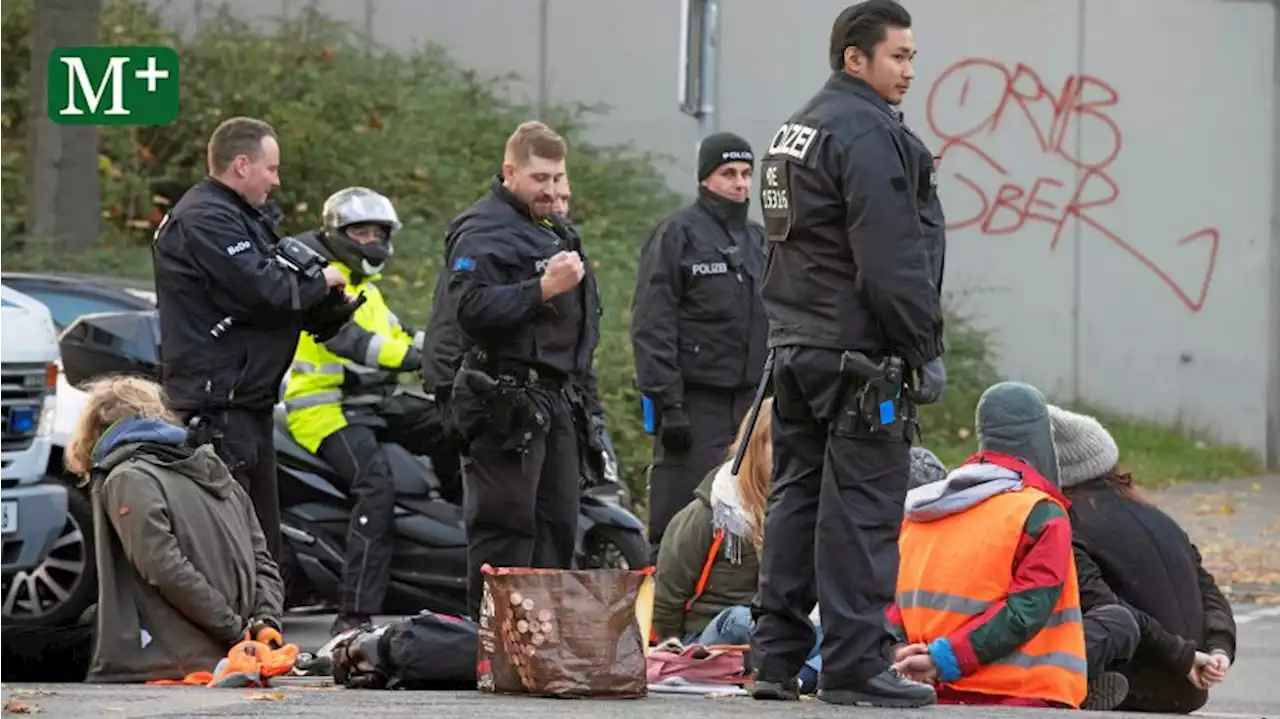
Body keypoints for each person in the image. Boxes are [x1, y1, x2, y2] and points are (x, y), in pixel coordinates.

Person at [748, 1, 947, 707]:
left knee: (797, 498)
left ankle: (773, 659)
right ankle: (856, 664)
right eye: (899, 57)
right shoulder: (865, 133)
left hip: (797, 348)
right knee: (862, 509)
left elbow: (782, 240)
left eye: (913, 57)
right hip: (860, 358)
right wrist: (922, 347)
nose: (910, 71)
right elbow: (890, 259)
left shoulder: (793, 131)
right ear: (854, 59)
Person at [151, 116, 355, 562]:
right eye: (271, 169)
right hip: (219, 405)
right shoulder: (206, 217)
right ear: (241, 165)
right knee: (232, 548)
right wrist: (322, 280)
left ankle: (260, 629)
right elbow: (265, 289)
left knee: (261, 546)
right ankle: (232, 633)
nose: (276, 181)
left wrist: (322, 305)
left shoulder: (240, 216)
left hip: (246, 402)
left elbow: (272, 294)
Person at [436, 121, 605, 618]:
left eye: (558, 178)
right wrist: (541, 289)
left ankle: (544, 647)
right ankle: (492, 648)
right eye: (540, 178)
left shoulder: (552, 228)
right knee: (505, 529)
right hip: (504, 400)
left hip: (556, 400)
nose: (551, 189)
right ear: (511, 172)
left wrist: (587, 405)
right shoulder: (482, 229)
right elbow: (469, 309)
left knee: (558, 526)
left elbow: (579, 331)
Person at [889, 382, 1141, 711]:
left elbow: (889, 598)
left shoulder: (923, 508)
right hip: (1021, 692)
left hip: (930, 687)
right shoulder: (1040, 512)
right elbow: (1026, 610)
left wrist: (898, 652)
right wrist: (944, 659)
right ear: (1042, 441)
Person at [281, 187, 454, 636]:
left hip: (373, 404)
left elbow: (402, 335)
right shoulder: (323, 283)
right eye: (361, 231)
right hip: (324, 408)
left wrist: (453, 348)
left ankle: (457, 550)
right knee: (374, 488)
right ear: (337, 234)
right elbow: (360, 346)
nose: (372, 239)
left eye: (378, 231)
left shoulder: (368, 290)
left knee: (456, 427)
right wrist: (426, 358)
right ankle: (353, 614)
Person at [65, 375, 284, 683]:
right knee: (86, 620)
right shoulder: (219, 476)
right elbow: (264, 563)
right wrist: (264, 622)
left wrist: (234, 629)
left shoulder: (128, 478)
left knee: (18, 644)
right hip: (226, 642)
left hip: (164, 652)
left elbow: (163, 568)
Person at [630, 131, 769, 553]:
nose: (741, 184)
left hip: (750, 406)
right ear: (706, 178)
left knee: (749, 520)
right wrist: (667, 404)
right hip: (694, 405)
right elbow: (652, 324)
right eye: (729, 173)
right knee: (681, 522)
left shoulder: (760, 241)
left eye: (747, 173)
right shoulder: (677, 235)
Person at [1049, 405, 1237, 713]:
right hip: (1191, 686)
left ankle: (1077, 686)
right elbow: (1209, 593)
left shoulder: (1068, 524)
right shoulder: (1160, 518)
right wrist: (1219, 648)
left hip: (1138, 681)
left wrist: (1181, 656)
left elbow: (1107, 609)